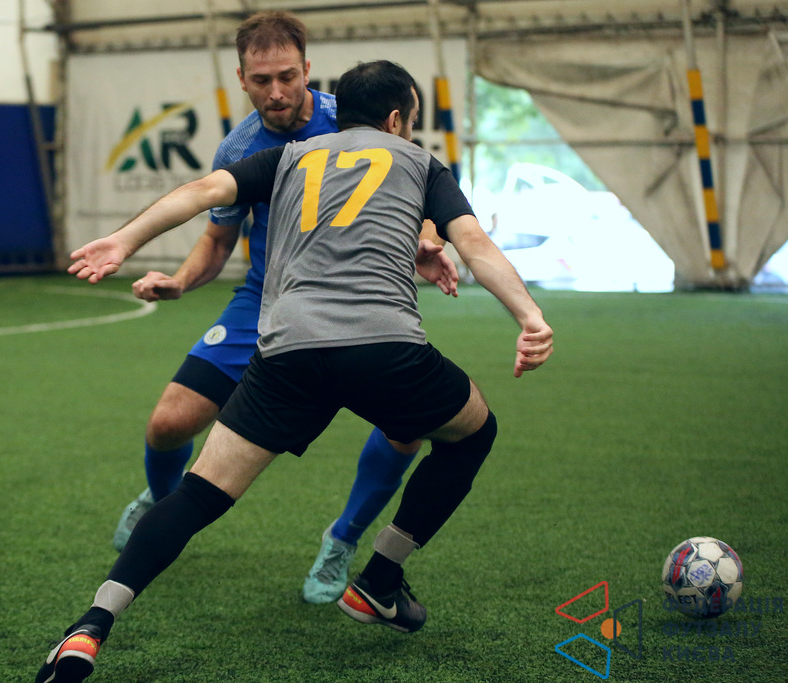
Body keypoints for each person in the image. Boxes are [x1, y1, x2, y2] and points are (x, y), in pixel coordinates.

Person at [35, 59, 553, 683]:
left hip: (286, 351)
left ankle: (91, 626)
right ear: (396, 119)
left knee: (198, 494)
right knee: (473, 431)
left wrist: (123, 241)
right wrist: (529, 317)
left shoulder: (288, 158)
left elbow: (201, 192)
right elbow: (474, 243)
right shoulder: (421, 163)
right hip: (384, 347)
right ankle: (380, 577)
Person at [111, 10, 457, 605]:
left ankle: (342, 538)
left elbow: (422, 186)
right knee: (168, 424)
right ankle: (162, 504)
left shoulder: (355, 118)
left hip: (361, 298)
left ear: (307, 70)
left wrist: (429, 237)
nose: (276, 91)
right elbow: (217, 239)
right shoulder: (239, 147)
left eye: (288, 77)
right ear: (241, 79)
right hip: (266, 299)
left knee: (408, 431)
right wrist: (181, 281)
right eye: (262, 80)